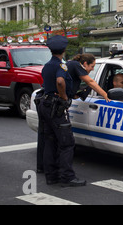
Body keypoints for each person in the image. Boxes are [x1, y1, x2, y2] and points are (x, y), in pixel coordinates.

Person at [38, 35, 86, 187]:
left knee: (50, 141)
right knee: (67, 143)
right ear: (64, 50)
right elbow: (60, 81)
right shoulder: (61, 66)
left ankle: (51, 177)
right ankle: (67, 177)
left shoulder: (47, 65)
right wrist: (64, 97)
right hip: (56, 106)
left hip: (45, 104)